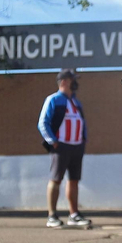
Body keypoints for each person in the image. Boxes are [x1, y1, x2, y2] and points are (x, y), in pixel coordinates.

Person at [38, 69, 91, 229]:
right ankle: (52, 216)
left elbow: (81, 121)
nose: (75, 83)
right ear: (63, 82)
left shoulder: (76, 101)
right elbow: (43, 122)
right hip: (61, 146)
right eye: (72, 80)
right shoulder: (53, 99)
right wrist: (52, 141)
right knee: (56, 179)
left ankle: (73, 214)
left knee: (74, 180)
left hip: (77, 146)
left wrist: (83, 138)